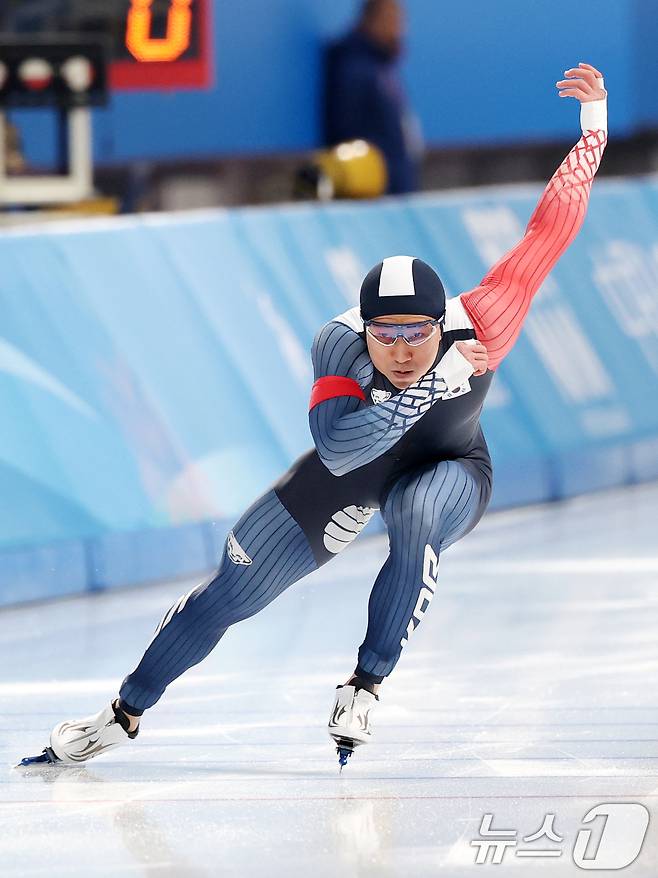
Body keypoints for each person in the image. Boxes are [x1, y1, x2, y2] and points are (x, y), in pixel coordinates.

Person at [19, 62, 607, 769]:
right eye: (384, 334)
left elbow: (549, 230)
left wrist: (593, 129)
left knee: (417, 512)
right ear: (363, 329)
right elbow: (339, 448)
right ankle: (122, 714)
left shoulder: (485, 322)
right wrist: (434, 384)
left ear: (440, 324)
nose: (400, 350)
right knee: (229, 594)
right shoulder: (340, 345)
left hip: (451, 465)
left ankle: (365, 683)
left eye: (415, 334)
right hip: (353, 471)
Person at [323, 0, 422, 195]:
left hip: (397, 190)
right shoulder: (354, 69)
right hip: (371, 193)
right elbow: (346, 131)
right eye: (392, 20)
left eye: (400, 22)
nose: (399, 30)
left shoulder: (383, 68)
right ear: (372, 20)